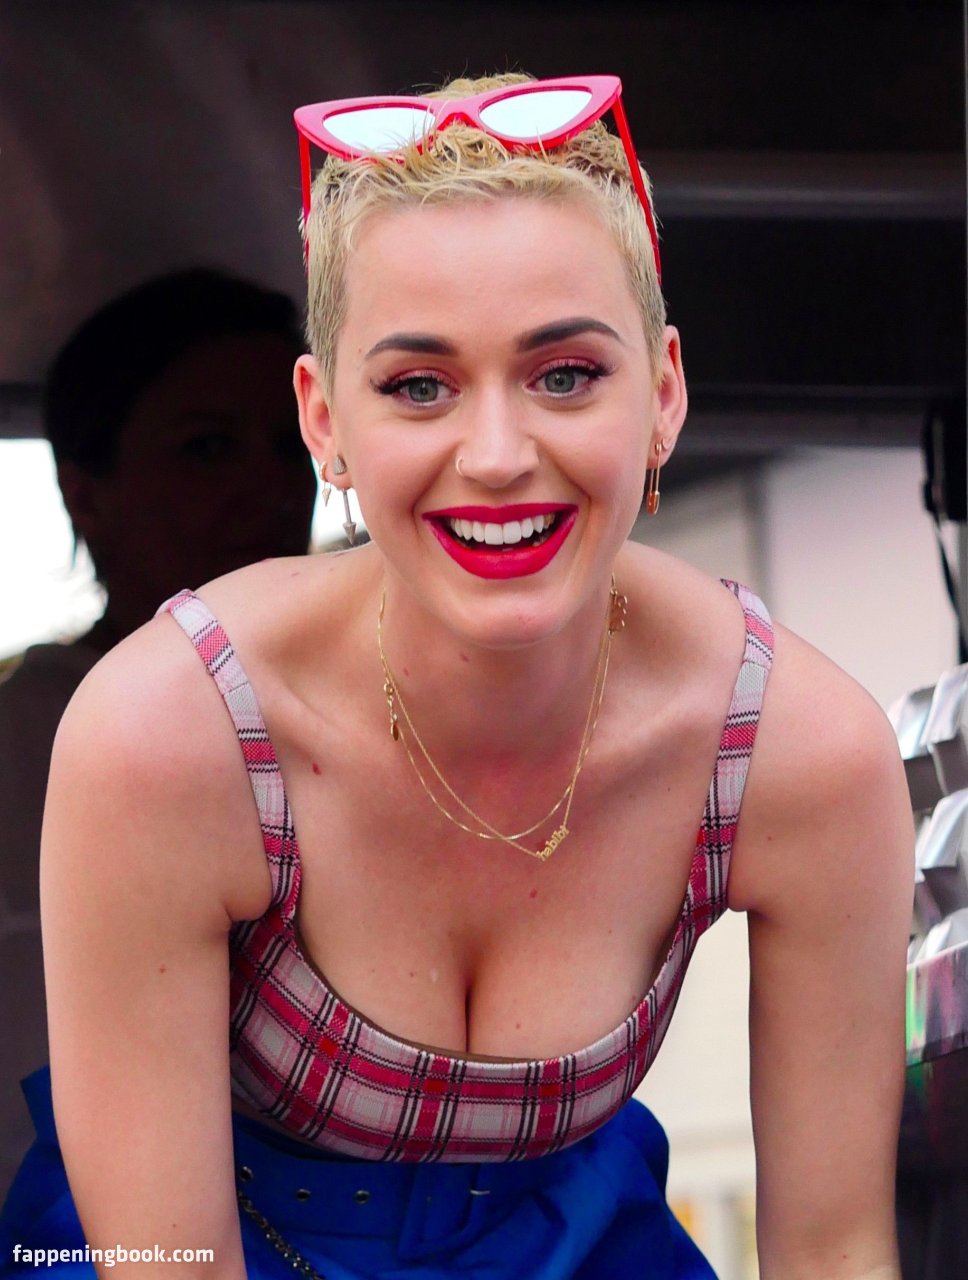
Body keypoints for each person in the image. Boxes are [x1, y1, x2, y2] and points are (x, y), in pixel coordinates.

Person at [1, 74, 912, 1279]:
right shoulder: (173, 728)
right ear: (324, 421)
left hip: (572, 1247)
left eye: (565, 373)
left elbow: (834, 1248)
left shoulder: (794, 748)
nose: (494, 454)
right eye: (418, 385)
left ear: (664, 395)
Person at [0, 269, 317, 1196]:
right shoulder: (27, 741)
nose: (268, 486)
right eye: (207, 448)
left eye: (290, 445)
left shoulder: (381, 725)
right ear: (85, 494)